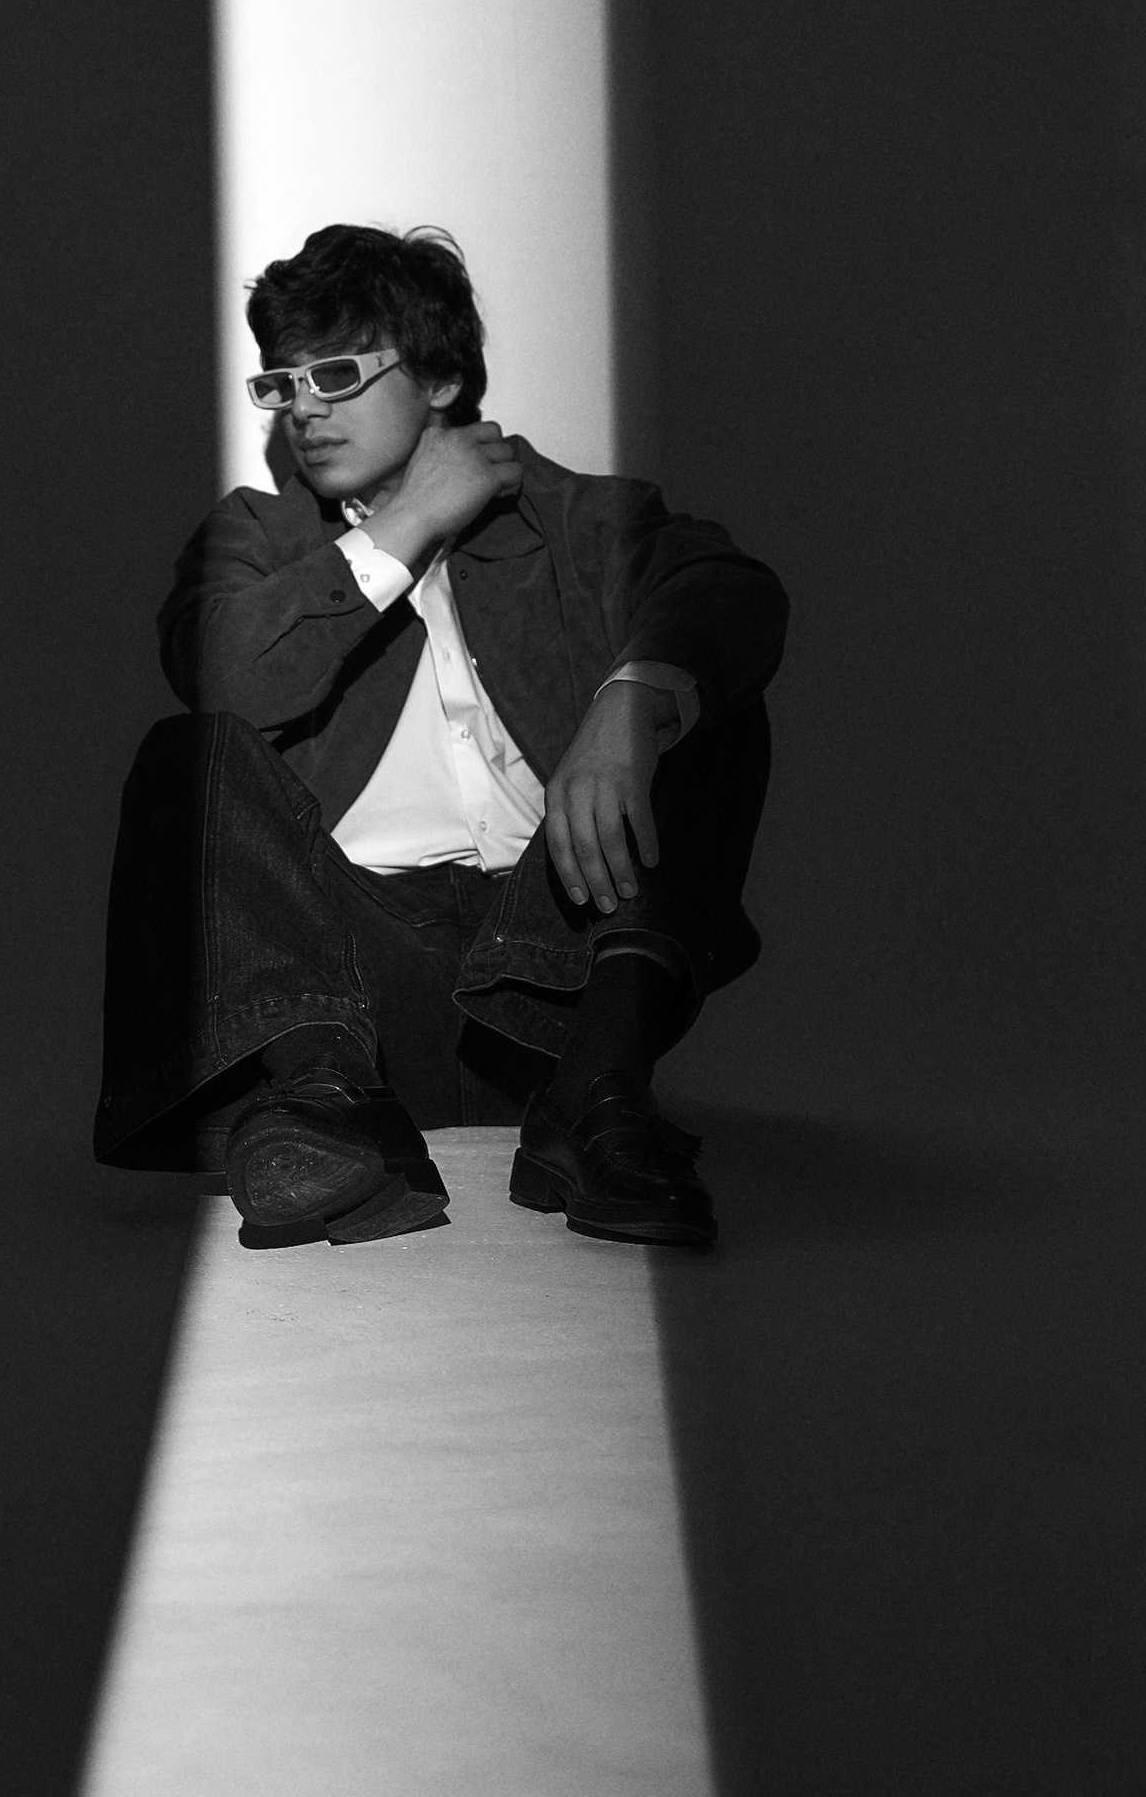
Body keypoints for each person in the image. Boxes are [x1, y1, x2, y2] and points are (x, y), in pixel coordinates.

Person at [95, 224, 787, 1250]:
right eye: (282, 383)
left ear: (442, 379)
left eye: (336, 374)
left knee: (696, 691)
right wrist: (405, 523)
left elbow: (726, 589)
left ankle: (597, 1099)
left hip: (554, 966)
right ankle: (327, 1111)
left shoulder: (573, 519)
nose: (305, 409)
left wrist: (630, 701)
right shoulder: (258, 537)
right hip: (353, 992)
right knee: (182, 756)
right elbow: (223, 674)